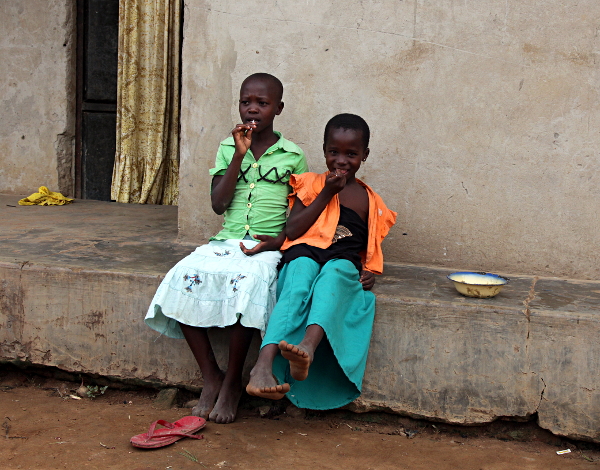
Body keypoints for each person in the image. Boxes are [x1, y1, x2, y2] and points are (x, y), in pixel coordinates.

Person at [145, 73, 308, 423]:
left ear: (278, 108)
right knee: (179, 280)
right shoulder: (226, 146)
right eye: (246, 101)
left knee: (247, 288)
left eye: (262, 103)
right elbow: (218, 204)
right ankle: (211, 377)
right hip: (226, 241)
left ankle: (233, 383)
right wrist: (239, 155)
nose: (252, 109)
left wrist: (274, 243)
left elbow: (298, 219)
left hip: (267, 247)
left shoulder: (293, 156)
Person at [246, 113, 397, 410]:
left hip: (343, 257)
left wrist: (368, 272)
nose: (341, 161)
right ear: (324, 150)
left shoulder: (370, 200)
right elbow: (293, 229)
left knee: (335, 275)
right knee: (298, 280)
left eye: (351, 154)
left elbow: (369, 246)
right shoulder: (311, 184)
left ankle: (307, 347)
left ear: (364, 156)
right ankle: (262, 364)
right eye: (334, 152)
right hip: (306, 249)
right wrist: (327, 192)